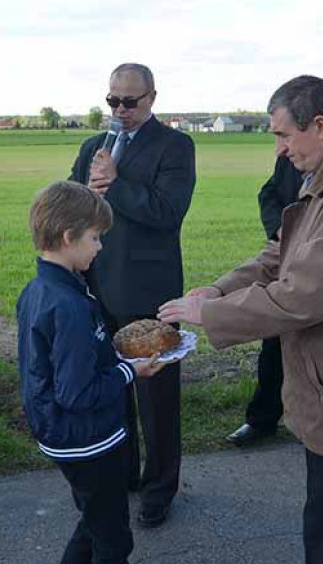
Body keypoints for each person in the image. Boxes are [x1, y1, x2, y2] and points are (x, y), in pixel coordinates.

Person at [159, 75, 323, 564]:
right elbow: (282, 252)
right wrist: (220, 288)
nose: (279, 149)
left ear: (320, 126)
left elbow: (304, 295)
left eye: (282, 135)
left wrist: (208, 313)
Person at [69, 63, 196, 529]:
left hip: (150, 291)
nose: (120, 110)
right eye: (113, 101)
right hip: (98, 284)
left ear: (152, 98)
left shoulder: (175, 146)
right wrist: (88, 189)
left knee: (156, 399)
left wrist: (117, 183)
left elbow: (167, 211)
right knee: (111, 391)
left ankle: (160, 489)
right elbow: (75, 206)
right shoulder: (92, 147)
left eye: (130, 101)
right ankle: (123, 475)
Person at [17, 181, 170, 564]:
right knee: (114, 541)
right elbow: (77, 393)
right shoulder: (69, 306)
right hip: (87, 440)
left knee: (94, 521)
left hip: (60, 433)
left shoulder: (37, 290)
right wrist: (131, 372)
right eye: (96, 238)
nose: (101, 246)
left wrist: (112, 356)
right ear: (69, 237)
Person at [225, 155, 302, 447]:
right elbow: (268, 193)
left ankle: (317, 423)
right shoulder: (290, 159)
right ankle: (262, 420)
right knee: (274, 347)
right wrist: (279, 227)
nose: (284, 143)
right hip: (285, 263)